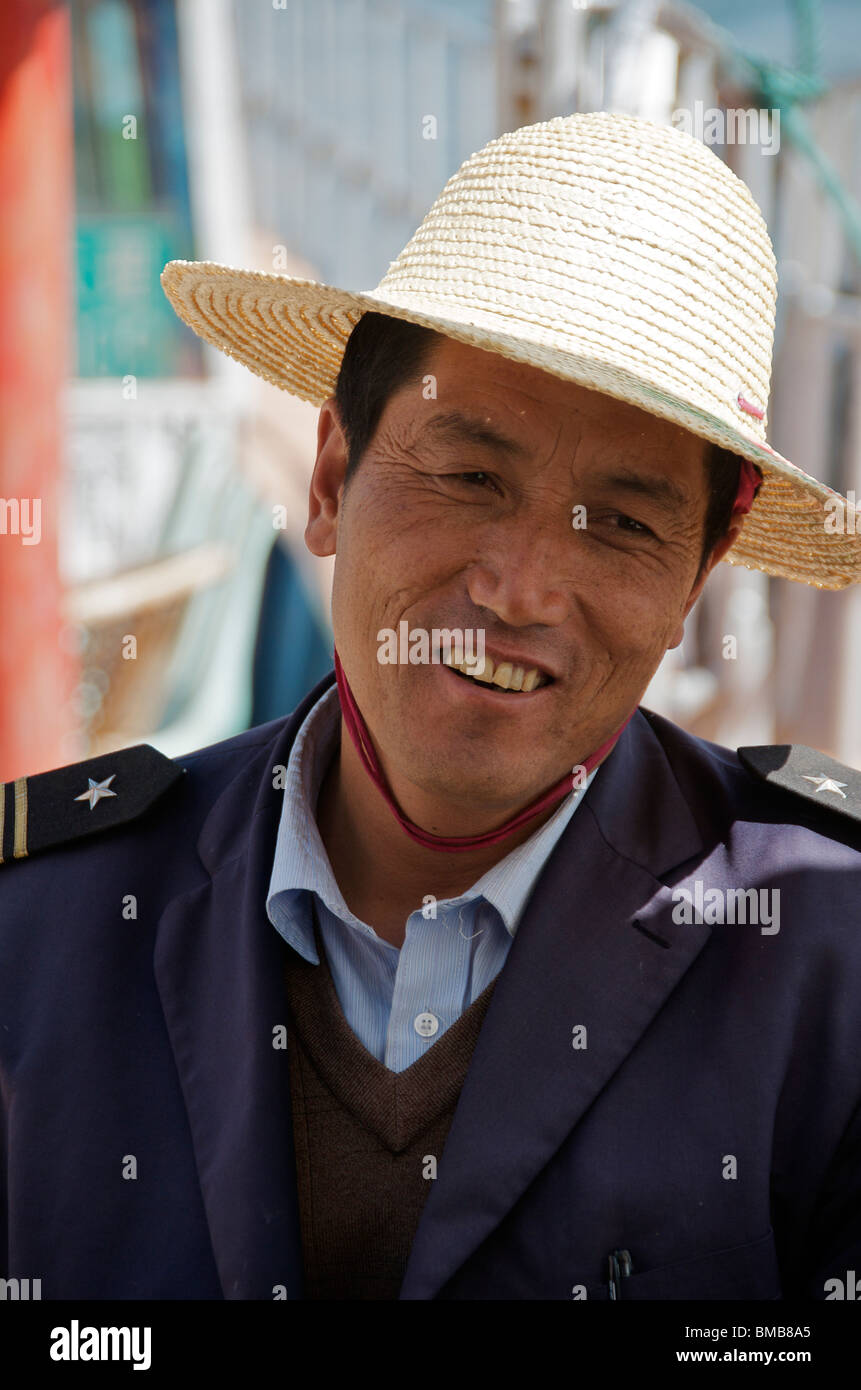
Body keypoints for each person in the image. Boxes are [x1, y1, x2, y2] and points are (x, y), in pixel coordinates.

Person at [2, 111, 860, 1302]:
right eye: (467, 476)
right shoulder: (42, 924)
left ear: (693, 584)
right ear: (331, 477)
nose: (519, 587)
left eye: (621, 522)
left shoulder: (831, 964)